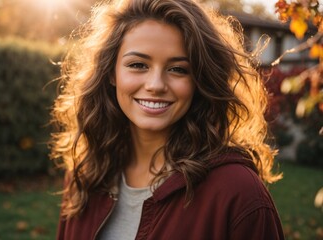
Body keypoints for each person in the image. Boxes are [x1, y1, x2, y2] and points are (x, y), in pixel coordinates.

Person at [50, 0, 285, 239]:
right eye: (138, 65)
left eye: (178, 69)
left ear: (199, 80)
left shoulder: (238, 193)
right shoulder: (86, 173)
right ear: (111, 72)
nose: (155, 85)